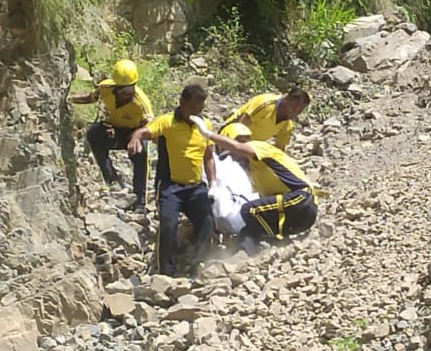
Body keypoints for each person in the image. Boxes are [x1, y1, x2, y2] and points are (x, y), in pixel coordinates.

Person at [127, 84, 215, 276]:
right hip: (170, 187)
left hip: (195, 187)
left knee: (208, 221)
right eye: (192, 109)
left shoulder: (205, 125)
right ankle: (165, 273)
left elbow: (208, 156)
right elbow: (144, 132)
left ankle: (197, 266)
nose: (195, 114)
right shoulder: (167, 122)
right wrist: (135, 138)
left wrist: (213, 184)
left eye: (199, 110)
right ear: (181, 103)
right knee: (168, 225)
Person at [198, 122, 318, 255]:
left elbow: (238, 147)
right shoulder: (256, 172)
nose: (233, 159)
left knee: (248, 210)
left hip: (300, 199)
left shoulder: (259, 147)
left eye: (232, 154)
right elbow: (264, 200)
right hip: (295, 216)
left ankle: (275, 240)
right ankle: (242, 255)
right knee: (250, 226)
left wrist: (208, 135)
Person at [69, 59, 153, 210]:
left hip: (136, 132)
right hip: (114, 130)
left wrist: (137, 137)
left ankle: (140, 201)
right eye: (124, 90)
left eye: (131, 88)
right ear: (116, 87)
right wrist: (70, 99)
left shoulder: (140, 102)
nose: (129, 93)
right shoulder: (105, 89)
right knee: (94, 134)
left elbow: (151, 124)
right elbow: (91, 98)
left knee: (141, 156)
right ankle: (112, 179)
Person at [220, 87, 310, 151]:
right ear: (286, 99)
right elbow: (241, 125)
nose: (295, 112)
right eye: (293, 107)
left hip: (248, 147)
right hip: (228, 137)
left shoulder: (287, 125)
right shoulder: (265, 104)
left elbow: (280, 149)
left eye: (300, 110)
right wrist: (238, 149)